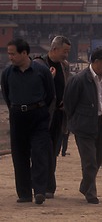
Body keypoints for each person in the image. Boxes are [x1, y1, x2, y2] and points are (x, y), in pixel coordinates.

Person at [1, 38, 55, 204]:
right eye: (9, 53)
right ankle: (24, 194)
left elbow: (50, 94)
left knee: (39, 154)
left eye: (13, 53)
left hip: (38, 116)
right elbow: (6, 94)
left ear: (24, 53)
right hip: (18, 116)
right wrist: (16, 109)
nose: (10, 57)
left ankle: (39, 191)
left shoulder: (41, 70)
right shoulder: (8, 73)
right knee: (19, 155)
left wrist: (39, 108)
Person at [64, 46, 102, 204]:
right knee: (89, 161)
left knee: (98, 160)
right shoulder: (79, 80)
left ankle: (85, 185)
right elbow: (69, 103)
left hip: (101, 123)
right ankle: (91, 192)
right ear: (97, 62)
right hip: (84, 125)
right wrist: (75, 122)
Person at [33, 35, 72, 199]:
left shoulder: (64, 66)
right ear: (54, 49)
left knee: (53, 151)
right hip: (42, 116)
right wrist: (50, 78)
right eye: (65, 51)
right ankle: (42, 186)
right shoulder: (38, 65)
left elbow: (67, 86)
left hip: (59, 116)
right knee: (41, 151)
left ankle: (48, 186)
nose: (66, 55)